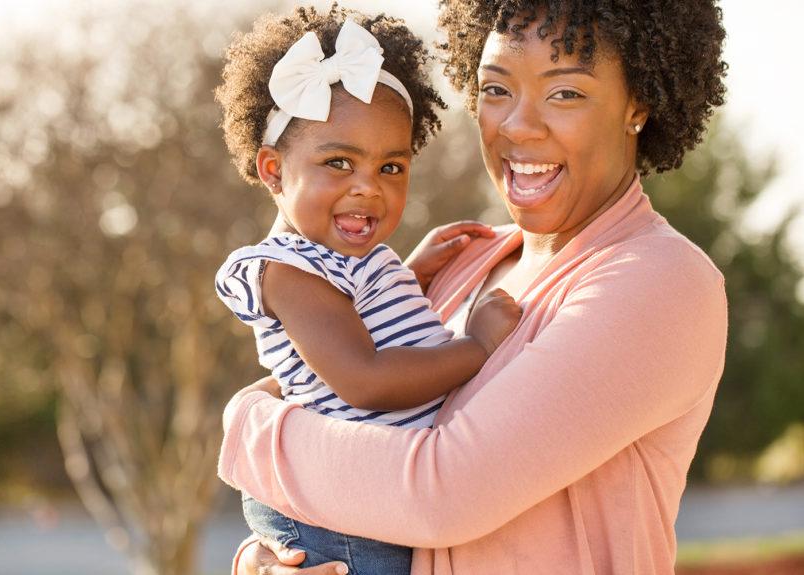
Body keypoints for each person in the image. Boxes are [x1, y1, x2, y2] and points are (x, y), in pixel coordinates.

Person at [222, 0, 729, 573]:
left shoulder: (656, 283)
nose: (517, 125)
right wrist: (266, 559)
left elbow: (440, 493)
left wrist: (243, 428)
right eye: (496, 89)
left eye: (565, 93)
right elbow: (316, 388)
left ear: (637, 105)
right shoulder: (464, 259)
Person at [213, 6, 522, 574]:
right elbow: (365, 379)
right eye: (338, 162)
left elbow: (359, 314)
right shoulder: (291, 273)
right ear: (273, 170)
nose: (368, 189)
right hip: (341, 528)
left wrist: (408, 272)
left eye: (391, 168)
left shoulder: (339, 261)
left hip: (364, 504)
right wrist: (475, 347)